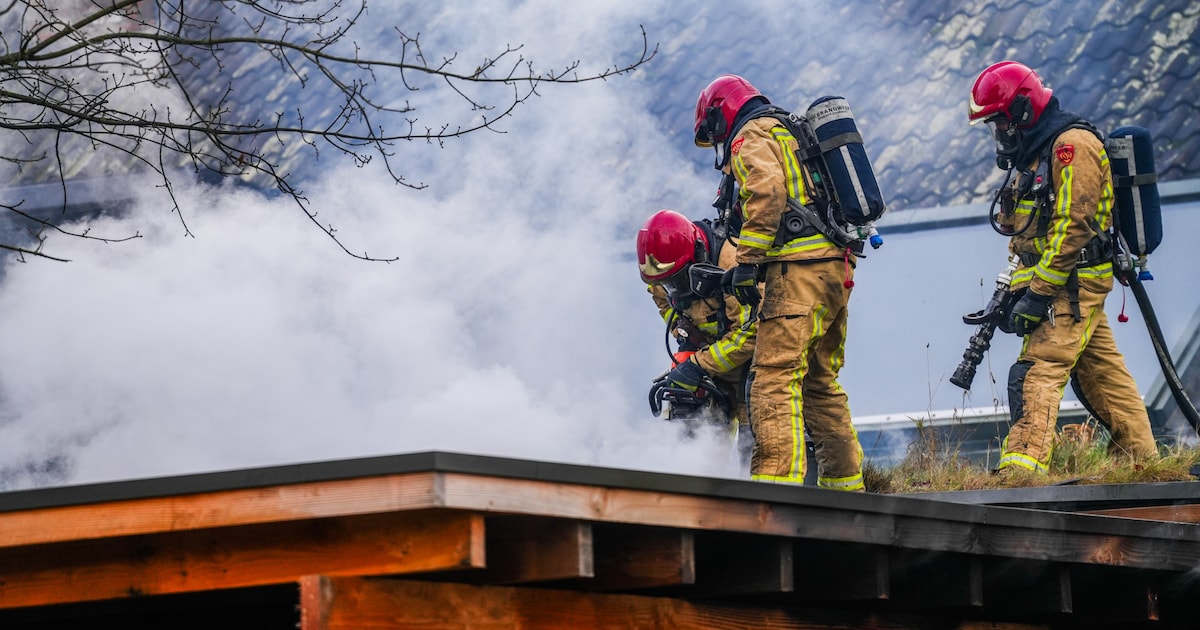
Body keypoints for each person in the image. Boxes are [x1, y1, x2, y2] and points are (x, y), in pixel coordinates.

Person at [966, 61, 1158, 474]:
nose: (999, 133)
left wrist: (1038, 294)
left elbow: (1074, 225)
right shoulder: (1036, 154)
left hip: (1070, 286)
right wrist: (1015, 290)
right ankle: (1143, 463)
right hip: (1057, 284)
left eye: (1000, 123)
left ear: (1022, 111)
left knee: (1038, 370)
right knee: (1103, 377)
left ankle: (1022, 470)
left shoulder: (1072, 146)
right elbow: (1026, 235)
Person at [692, 74, 865, 491]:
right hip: (834, 270)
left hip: (796, 273)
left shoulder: (749, 136)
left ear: (720, 115)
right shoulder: (786, 129)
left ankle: (774, 490)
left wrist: (747, 261)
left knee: (773, 379)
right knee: (819, 383)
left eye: (716, 133)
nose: (720, 142)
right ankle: (847, 487)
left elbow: (766, 192)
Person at [636, 209, 755, 468]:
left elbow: (750, 334)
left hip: (754, 367)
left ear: (698, 255)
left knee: (755, 451)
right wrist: (683, 332)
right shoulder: (659, 270)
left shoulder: (732, 262)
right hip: (712, 363)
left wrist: (698, 365)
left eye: (677, 280)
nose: (673, 289)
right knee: (698, 445)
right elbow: (663, 303)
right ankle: (703, 483)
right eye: (666, 283)